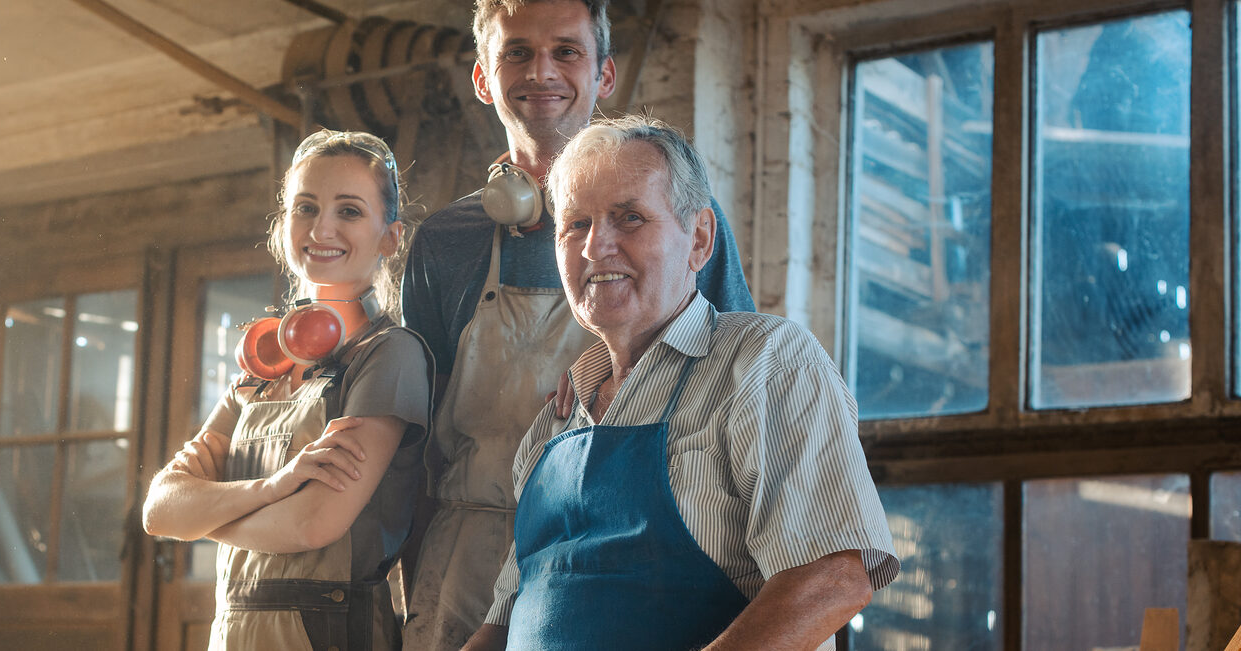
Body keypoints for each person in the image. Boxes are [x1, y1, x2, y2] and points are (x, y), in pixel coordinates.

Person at [465, 116, 899, 651]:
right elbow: (504, 623)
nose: (595, 246)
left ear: (699, 239)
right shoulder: (552, 425)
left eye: (629, 218)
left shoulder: (762, 362)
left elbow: (831, 579)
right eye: (575, 224)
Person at [401, 1, 757, 647]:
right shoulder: (444, 243)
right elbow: (417, 448)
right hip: (463, 563)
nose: (542, 71)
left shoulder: (680, 226)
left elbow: (737, 391)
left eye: (567, 51)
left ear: (605, 76)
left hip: (612, 551)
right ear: (483, 76)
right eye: (516, 51)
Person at [141, 129, 433, 651]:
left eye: (349, 211)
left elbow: (312, 524)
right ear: (282, 227)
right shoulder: (261, 367)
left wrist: (205, 517)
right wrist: (276, 487)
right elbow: (160, 509)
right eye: (306, 207)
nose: (322, 227)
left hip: (328, 634)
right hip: (232, 632)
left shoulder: (390, 355)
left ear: (389, 237)